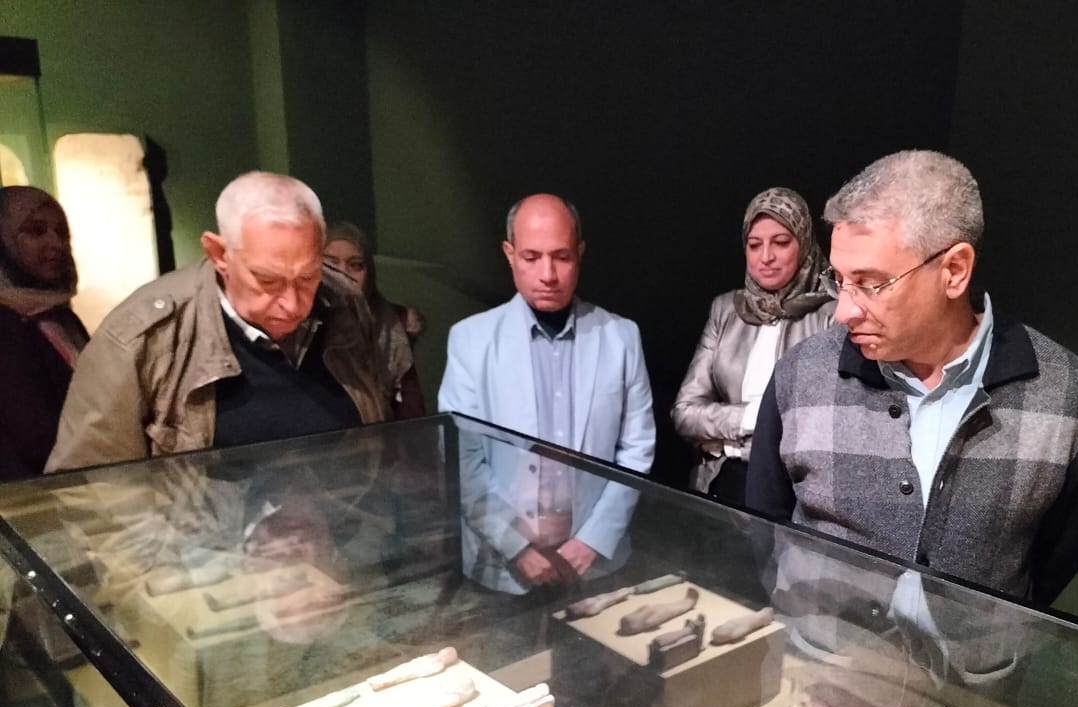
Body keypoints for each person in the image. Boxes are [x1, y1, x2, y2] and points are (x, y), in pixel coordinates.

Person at [747, 150, 1078, 605]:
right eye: (839, 279)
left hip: (974, 655)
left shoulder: (1062, 393)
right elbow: (764, 526)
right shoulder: (802, 373)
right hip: (816, 649)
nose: (844, 310)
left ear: (954, 271)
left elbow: (1057, 558)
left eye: (870, 283)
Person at [46, 171, 393, 473]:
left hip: (345, 524)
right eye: (267, 280)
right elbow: (89, 489)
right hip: (203, 533)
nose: (292, 304)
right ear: (218, 254)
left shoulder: (344, 301)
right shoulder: (142, 335)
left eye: (307, 277)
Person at [438, 193, 655, 593]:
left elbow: (636, 450)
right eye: (531, 257)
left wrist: (593, 541)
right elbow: (462, 458)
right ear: (509, 254)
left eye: (561, 257)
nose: (548, 274)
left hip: (596, 566)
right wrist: (515, 546)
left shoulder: (621, 338)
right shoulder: (471, 340)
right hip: (500, 565)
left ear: (580, 253)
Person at [672, 187, 833, 505]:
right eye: (754, 244)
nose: (766, 257)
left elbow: (823, 425)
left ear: (804, 243)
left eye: (781, 242)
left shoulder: (832, 314)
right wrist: (752, 418)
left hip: (795, 490)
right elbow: (685, 413)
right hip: (722, 482)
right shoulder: (726, 310)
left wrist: (724, 440)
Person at [0, 186, 88, 481]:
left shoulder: (60, 317)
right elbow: (33, 434)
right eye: (36, 231)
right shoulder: (6, 322)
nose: (56, 244)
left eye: (62, 232)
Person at [323, 221, 428, 418]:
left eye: (355, 265)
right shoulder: (302, 324)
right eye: (331, 263)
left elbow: (411, 410)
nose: (343, 273)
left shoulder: (393, 324)